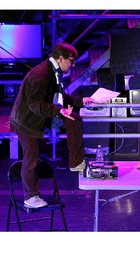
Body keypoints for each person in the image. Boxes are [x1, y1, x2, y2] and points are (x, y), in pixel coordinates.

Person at [9, 42, 94, 208]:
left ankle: (76, 162)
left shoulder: (53, 71)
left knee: (74, 120)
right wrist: (58, 111)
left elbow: (60, 95)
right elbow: (35, 104)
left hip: (39, 116)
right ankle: (30, 197)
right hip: (26, 121)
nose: (73, 64)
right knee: (31, 158)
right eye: (71, 60)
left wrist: (81, 101)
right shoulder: (41, 74)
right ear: (61, 58)